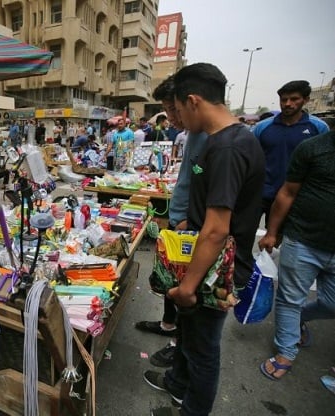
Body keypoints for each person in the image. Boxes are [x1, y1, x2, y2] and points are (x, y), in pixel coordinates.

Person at [144, 63, 264, 416]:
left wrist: (188, 287)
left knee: (203, 350)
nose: (177, 117)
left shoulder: (228, 147)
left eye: (178, 109)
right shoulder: (228, 140)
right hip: (206, 264)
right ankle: (178, 384)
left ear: (193, 101)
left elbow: (216, 229)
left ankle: (191, 409)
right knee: (190, 338)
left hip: (215, 274)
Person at [135, 75, 208, 368]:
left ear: (190, 102)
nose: (171, 118)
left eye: (174, 109)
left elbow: (209, 191)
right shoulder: (191, 134)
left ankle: (178, 345)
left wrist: (187, 220)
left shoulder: (208, 137)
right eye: (167, 110)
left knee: (185, 290)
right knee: (170, 282)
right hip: (180, 224)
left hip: (189, 228)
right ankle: (168, 325)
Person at [258, 128, 335, 381]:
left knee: (331, 303)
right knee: (290, 299)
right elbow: (287, 192)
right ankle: (286, 351)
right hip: (302, 239)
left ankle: (298, 319)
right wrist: (272, 232)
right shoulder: (312, 147)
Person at [252, 80, 328, 225]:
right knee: (243, 235)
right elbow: (251, 159)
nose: (288, 103)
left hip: (296, 197)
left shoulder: (318, 128)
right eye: (284, 99)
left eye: (294, 99)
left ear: (305, 100)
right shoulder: (262, 127)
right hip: (261, 194)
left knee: (281, 240)